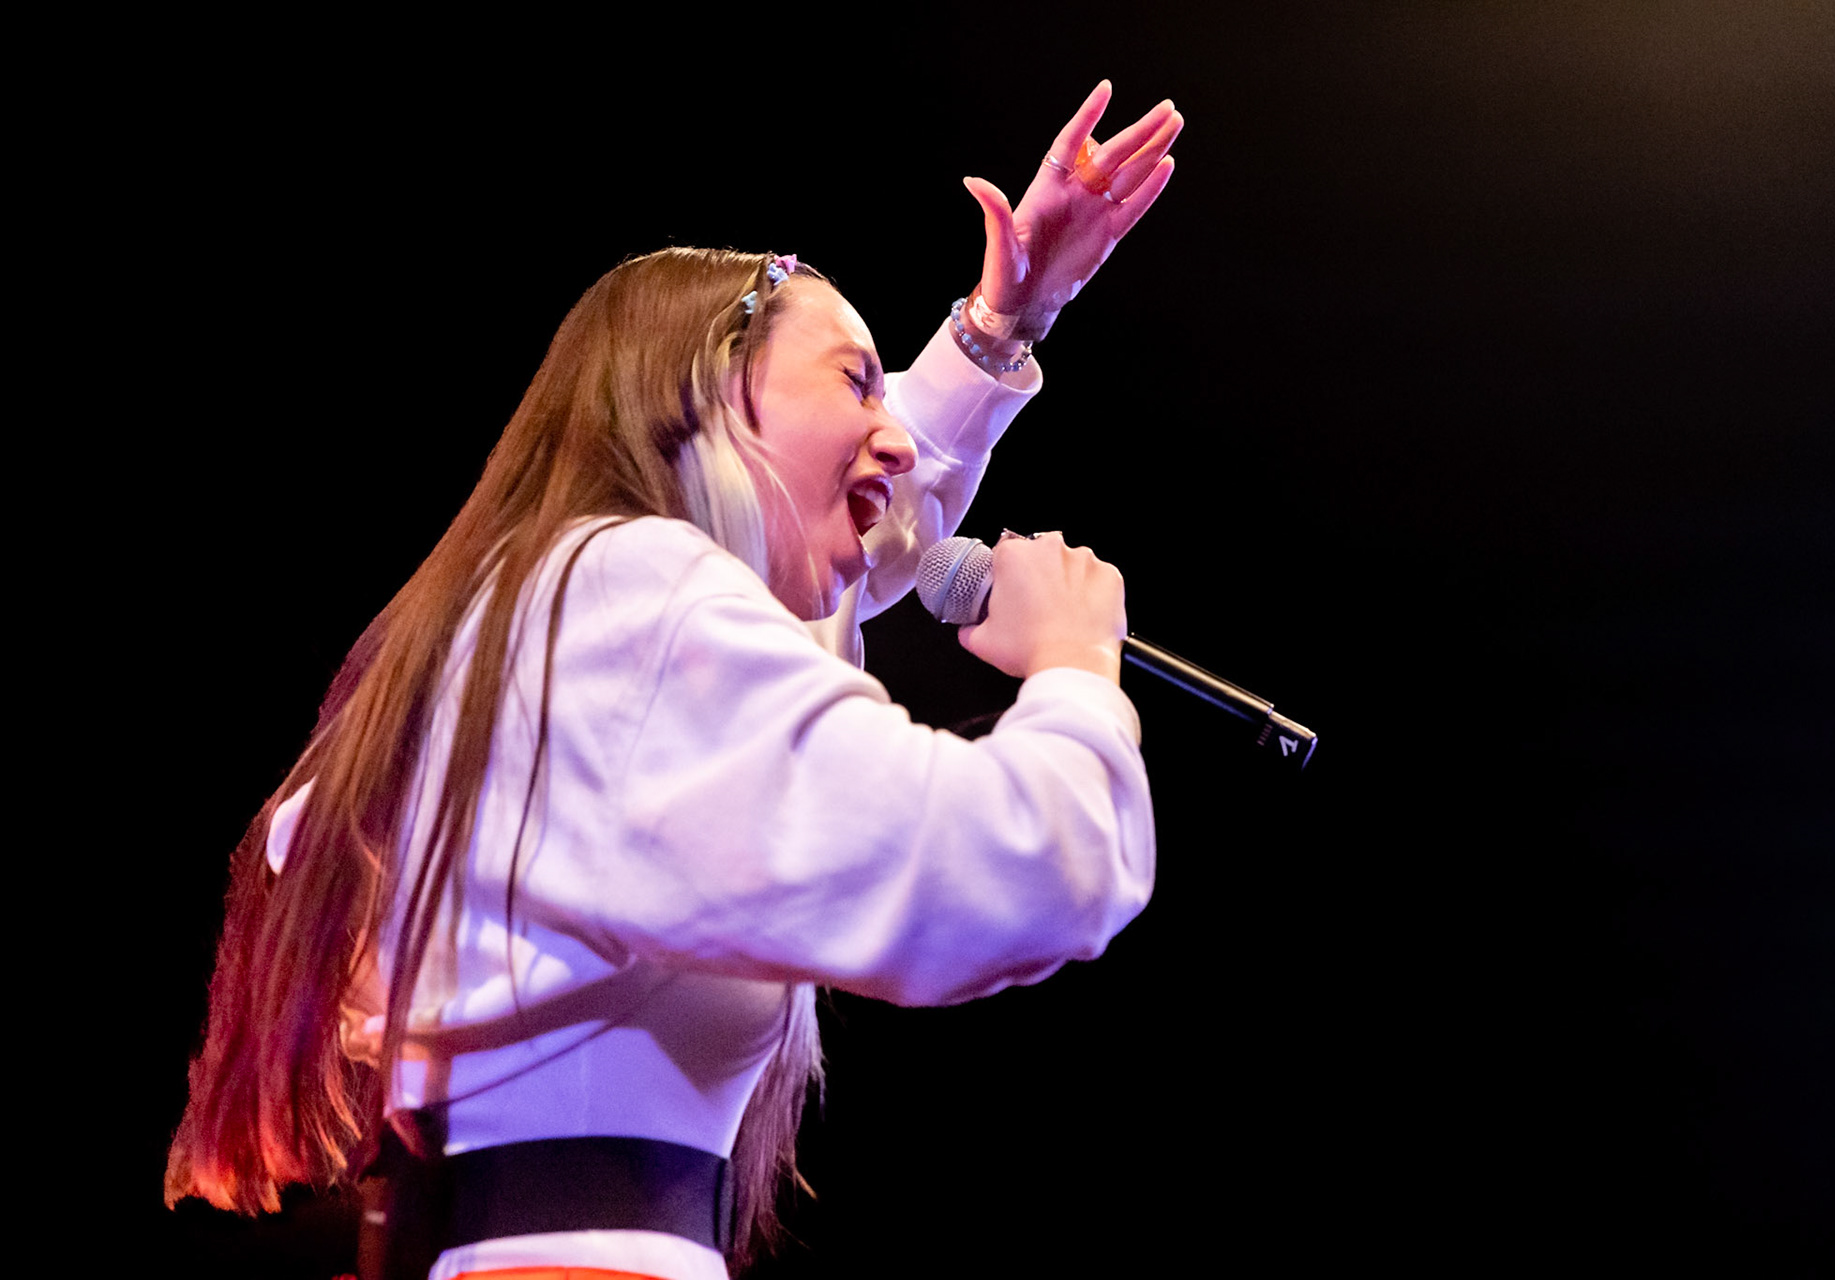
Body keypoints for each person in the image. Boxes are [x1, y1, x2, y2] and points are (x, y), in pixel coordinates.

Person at [167, 83, 1182, 1280]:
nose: (896, 438)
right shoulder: (628, 599)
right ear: (701, 391)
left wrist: (998, 325)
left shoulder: (551, 609)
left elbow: (856, 534)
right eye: (854, 381)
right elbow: (1004, 867)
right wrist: (1074, 670)